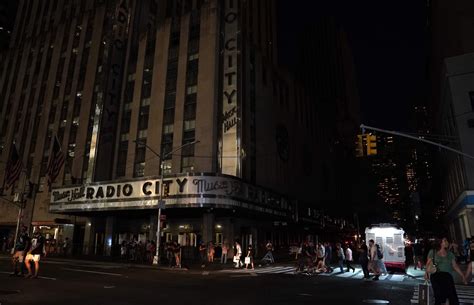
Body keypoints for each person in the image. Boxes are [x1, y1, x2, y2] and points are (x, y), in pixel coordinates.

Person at [425, 237, 464, 305]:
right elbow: (428, 264)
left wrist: (462, 275)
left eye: (447, 241)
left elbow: (455, 266)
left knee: (451, 296)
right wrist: (426, 273)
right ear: (440, 243)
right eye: (445, 241)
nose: (447, 242)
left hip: (447, 278)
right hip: (436, 277)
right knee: (438, 297)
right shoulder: (433, 252)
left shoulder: (450, 254)